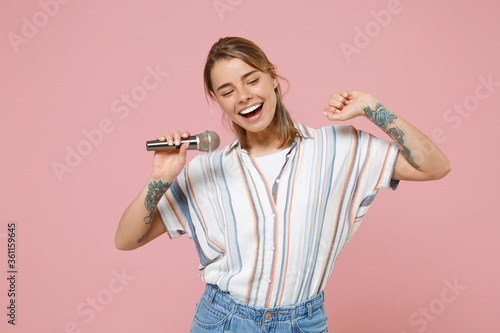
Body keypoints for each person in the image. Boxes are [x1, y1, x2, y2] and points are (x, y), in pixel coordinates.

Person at [115, 37, 451, 332]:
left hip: (303, 322)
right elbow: (126, 240)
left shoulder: (338, 148)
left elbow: (435, 166)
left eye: (252, 80)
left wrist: (371, 108)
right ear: (218, 101)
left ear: (273, 78)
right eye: (227, 91)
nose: (244, 97)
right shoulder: (206, 170)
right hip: (223, 321)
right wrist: (160, 177)